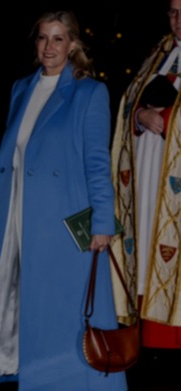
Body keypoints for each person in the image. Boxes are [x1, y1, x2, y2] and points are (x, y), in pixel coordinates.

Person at [0, 10, 127, 391]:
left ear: (73, 45)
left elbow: (96, 163)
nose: (49, 47)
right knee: (42, 311)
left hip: (68, 221)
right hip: (20, 216)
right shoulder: (22, 88)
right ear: (35, 44)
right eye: (43, 39)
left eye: (58, 39)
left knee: (64, 314)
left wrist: (102, 224)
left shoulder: (90, 93)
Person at [110, 0, 180, 349]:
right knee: (151, 243)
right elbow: (129, 101)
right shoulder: (160, 53)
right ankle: (152, 338)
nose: (178, 20)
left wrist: (167, 121)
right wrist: (139, 118)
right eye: (172, 12)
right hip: (150, 176)